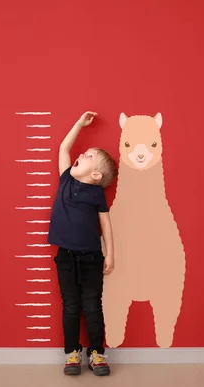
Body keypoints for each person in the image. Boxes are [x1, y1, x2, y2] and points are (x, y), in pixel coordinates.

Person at [47, 111, 118, 376]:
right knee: (71, 305)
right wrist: (79, 124)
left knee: (92, 304)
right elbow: (64, 147)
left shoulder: (96, 194)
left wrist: (109, 254)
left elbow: (106, 224)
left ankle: (97, 352)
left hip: (91, 258)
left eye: (89, 156)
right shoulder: (65, 179)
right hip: (65, 256)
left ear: (97, 175)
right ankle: (72, 353)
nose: (80, 155)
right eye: (84, 153)